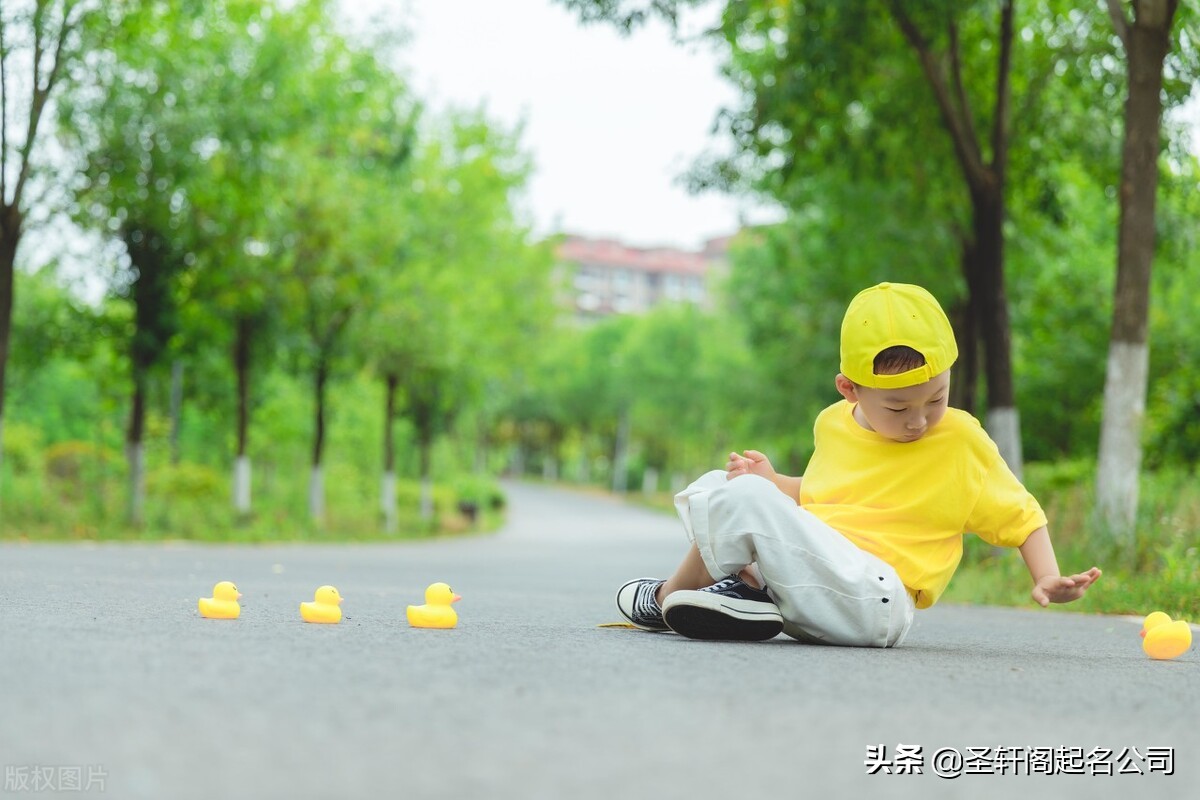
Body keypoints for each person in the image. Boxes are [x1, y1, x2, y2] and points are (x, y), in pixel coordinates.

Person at [616, 281, 1102, 646]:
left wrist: (1046, 576)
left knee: (742, 499)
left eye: (936, 399)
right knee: (722, 483)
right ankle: (749, 596)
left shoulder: (960, 439)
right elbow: (827, 496)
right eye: (898, 408)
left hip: (877, 596)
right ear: (849, 388)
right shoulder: (833, 424)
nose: (919, 421)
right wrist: (773, 482)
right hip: (817, 579)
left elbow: (1022, 515)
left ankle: (673, 598)